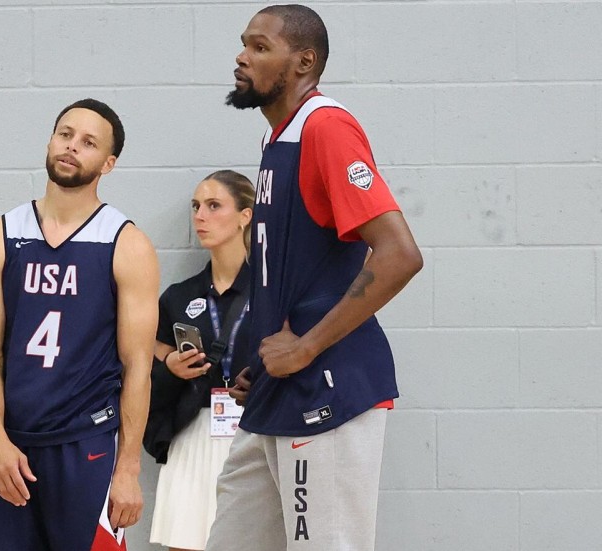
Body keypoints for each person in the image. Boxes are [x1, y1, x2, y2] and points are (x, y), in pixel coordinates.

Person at [206, 5, 423, 551]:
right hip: (276, 390)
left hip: (327, 387)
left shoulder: (326, 127)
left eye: (260, 47)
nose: (242, 57)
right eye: (244, 44)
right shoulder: (277, 139)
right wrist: (264, 359)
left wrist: (304, 347)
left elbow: (399, 254)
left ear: (304, 62)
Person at [0, 98, 159, 551]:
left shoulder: (126, 244)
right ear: (50, 141)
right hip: (13, 447)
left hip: (86, 445)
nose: (72, 146)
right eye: (65, 134)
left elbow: (138, 366)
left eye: (89, 143)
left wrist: (128, 468)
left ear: (108, 164)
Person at [143, 171, 255, 551]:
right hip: (193, 433)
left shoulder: (270, 292)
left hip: (254, 433)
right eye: (196, 206)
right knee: (185, 542)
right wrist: (171, 369)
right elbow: (145, 373)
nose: (200, 216)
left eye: (213, 205)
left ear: (244, 216)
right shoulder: (179, 297)